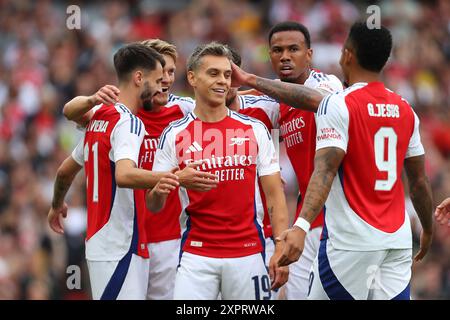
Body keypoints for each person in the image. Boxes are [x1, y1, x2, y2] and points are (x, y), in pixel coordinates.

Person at [268, 22, 433, 300]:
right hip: (397, 239)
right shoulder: (405, 108)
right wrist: (427, 228)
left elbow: (325, 170)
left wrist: (301, 226)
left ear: (347, 55)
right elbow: (418, 181)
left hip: (351, 241)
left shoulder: (339, 102)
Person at [49, 43, 216, 300]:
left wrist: (57, 203)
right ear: (140, 77)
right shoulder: (125, 120)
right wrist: (177, 178)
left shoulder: (108, 118)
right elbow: (123, 174)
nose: (165, 82)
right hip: (123, 241)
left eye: (171, 73)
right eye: (160, 76)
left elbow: (64, 171)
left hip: (158, 240)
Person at [147, 42, 289, 300]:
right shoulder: (174, 134)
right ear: (192, 77)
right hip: (196, 256)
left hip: (249, 253)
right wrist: (176, 180)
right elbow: (154, 204)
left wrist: (281, 246)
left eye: (226, 74)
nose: (223, 81)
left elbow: (275, 195)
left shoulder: (254, 129)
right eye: (213, 74)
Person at [229, 22, 343, 299]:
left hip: (341, 220)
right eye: (277, 50)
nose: (285, 56)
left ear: (310, 54)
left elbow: (318, 101)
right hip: (306, 222)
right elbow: (227, 106)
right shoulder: (279, 105)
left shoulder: (327, 84)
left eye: (294, 49)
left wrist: (252, 81)